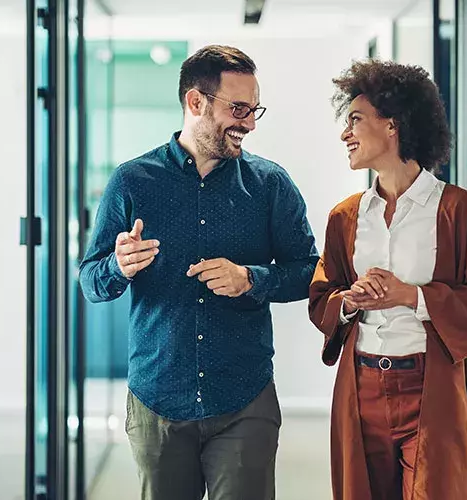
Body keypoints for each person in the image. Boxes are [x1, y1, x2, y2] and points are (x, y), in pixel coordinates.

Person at [79, 44, 319, 500]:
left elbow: (311, 271)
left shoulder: (270, 184)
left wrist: (251, 279)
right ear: (196, 102)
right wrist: (118, 266)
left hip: (244, 399)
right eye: (239, 108)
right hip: (158, 402)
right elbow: (91, 280)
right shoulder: (132, 182)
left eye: (254, 110)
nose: (249, 122)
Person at [308, 59, 467, 500]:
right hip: (361, 390)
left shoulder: (457, 209)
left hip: (430, 389)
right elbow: (322, 296)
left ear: (393, 125)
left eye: (355, 120)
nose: (346, 133)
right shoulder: (345, 216)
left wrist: (410, 296)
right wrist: (351, 300)